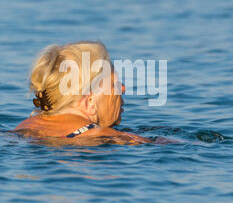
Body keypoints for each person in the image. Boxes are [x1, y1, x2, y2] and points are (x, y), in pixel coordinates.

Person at [14, 41, 150, 145]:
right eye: (114, 85)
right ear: (89, 101)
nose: (124, 89)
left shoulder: (24, 127)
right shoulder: (106, 135)